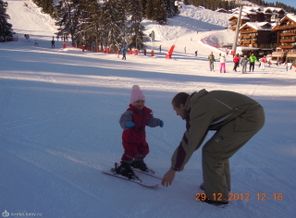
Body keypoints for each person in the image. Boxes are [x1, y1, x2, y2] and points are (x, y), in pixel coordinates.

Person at [161, 90, 265, 206]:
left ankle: (217, 196)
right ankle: (216, 185)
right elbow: (196, 137)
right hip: (248, 115)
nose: (177, 114)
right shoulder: (198, 103)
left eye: (176, 110)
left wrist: (173, 169)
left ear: (182, 105)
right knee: (217, 150)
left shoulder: (199, 108)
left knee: (213, 152)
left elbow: (190, 141)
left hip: (248, 118)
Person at [115, 85, 164, 179]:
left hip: (140, 138)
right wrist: (127, 124)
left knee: (144, 150)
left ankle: (137, 162)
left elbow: (150, 121)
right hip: (129, 138)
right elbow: (122, 121)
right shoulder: (129, 113)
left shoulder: (145, 112)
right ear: (133, 102)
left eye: (142, 101)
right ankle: (124, 166)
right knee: (130, 151)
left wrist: (158, 122)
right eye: (137, 101)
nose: (140, 104)